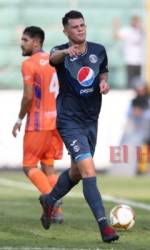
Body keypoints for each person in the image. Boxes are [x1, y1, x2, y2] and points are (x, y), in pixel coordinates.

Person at [38, 11, 119, 243]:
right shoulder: (61, 52)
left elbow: (103, 70)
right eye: (74, 27)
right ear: (66, 31)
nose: (80, 29)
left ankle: (50, 200)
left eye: (82, 25)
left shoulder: (98, 50)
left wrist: (104, 81)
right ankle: (105, 228)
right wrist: (65, 52)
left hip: (91, 120)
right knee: (88, 171)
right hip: (69, 121)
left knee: (76, 171)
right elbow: (52, 58)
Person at [12, 26, 63, 223]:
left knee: (29, 166)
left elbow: (28, 96)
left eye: (25, 40)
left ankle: (51, 199)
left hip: (38, 123)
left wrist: (19, 119)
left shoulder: (29, 64)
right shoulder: (55, 60)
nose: (21, 43)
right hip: (56, 122)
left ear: (36, 42)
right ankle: (57, 214)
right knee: (49, 167)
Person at [113, 16, 144, 88]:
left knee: (138, 82)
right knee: (130, 81)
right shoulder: (128, 30)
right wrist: (116, 27)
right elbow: (116, 36)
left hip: (139, 61)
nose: (136, 23)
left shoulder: (141, 32)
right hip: (130, 60)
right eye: (135, 21)